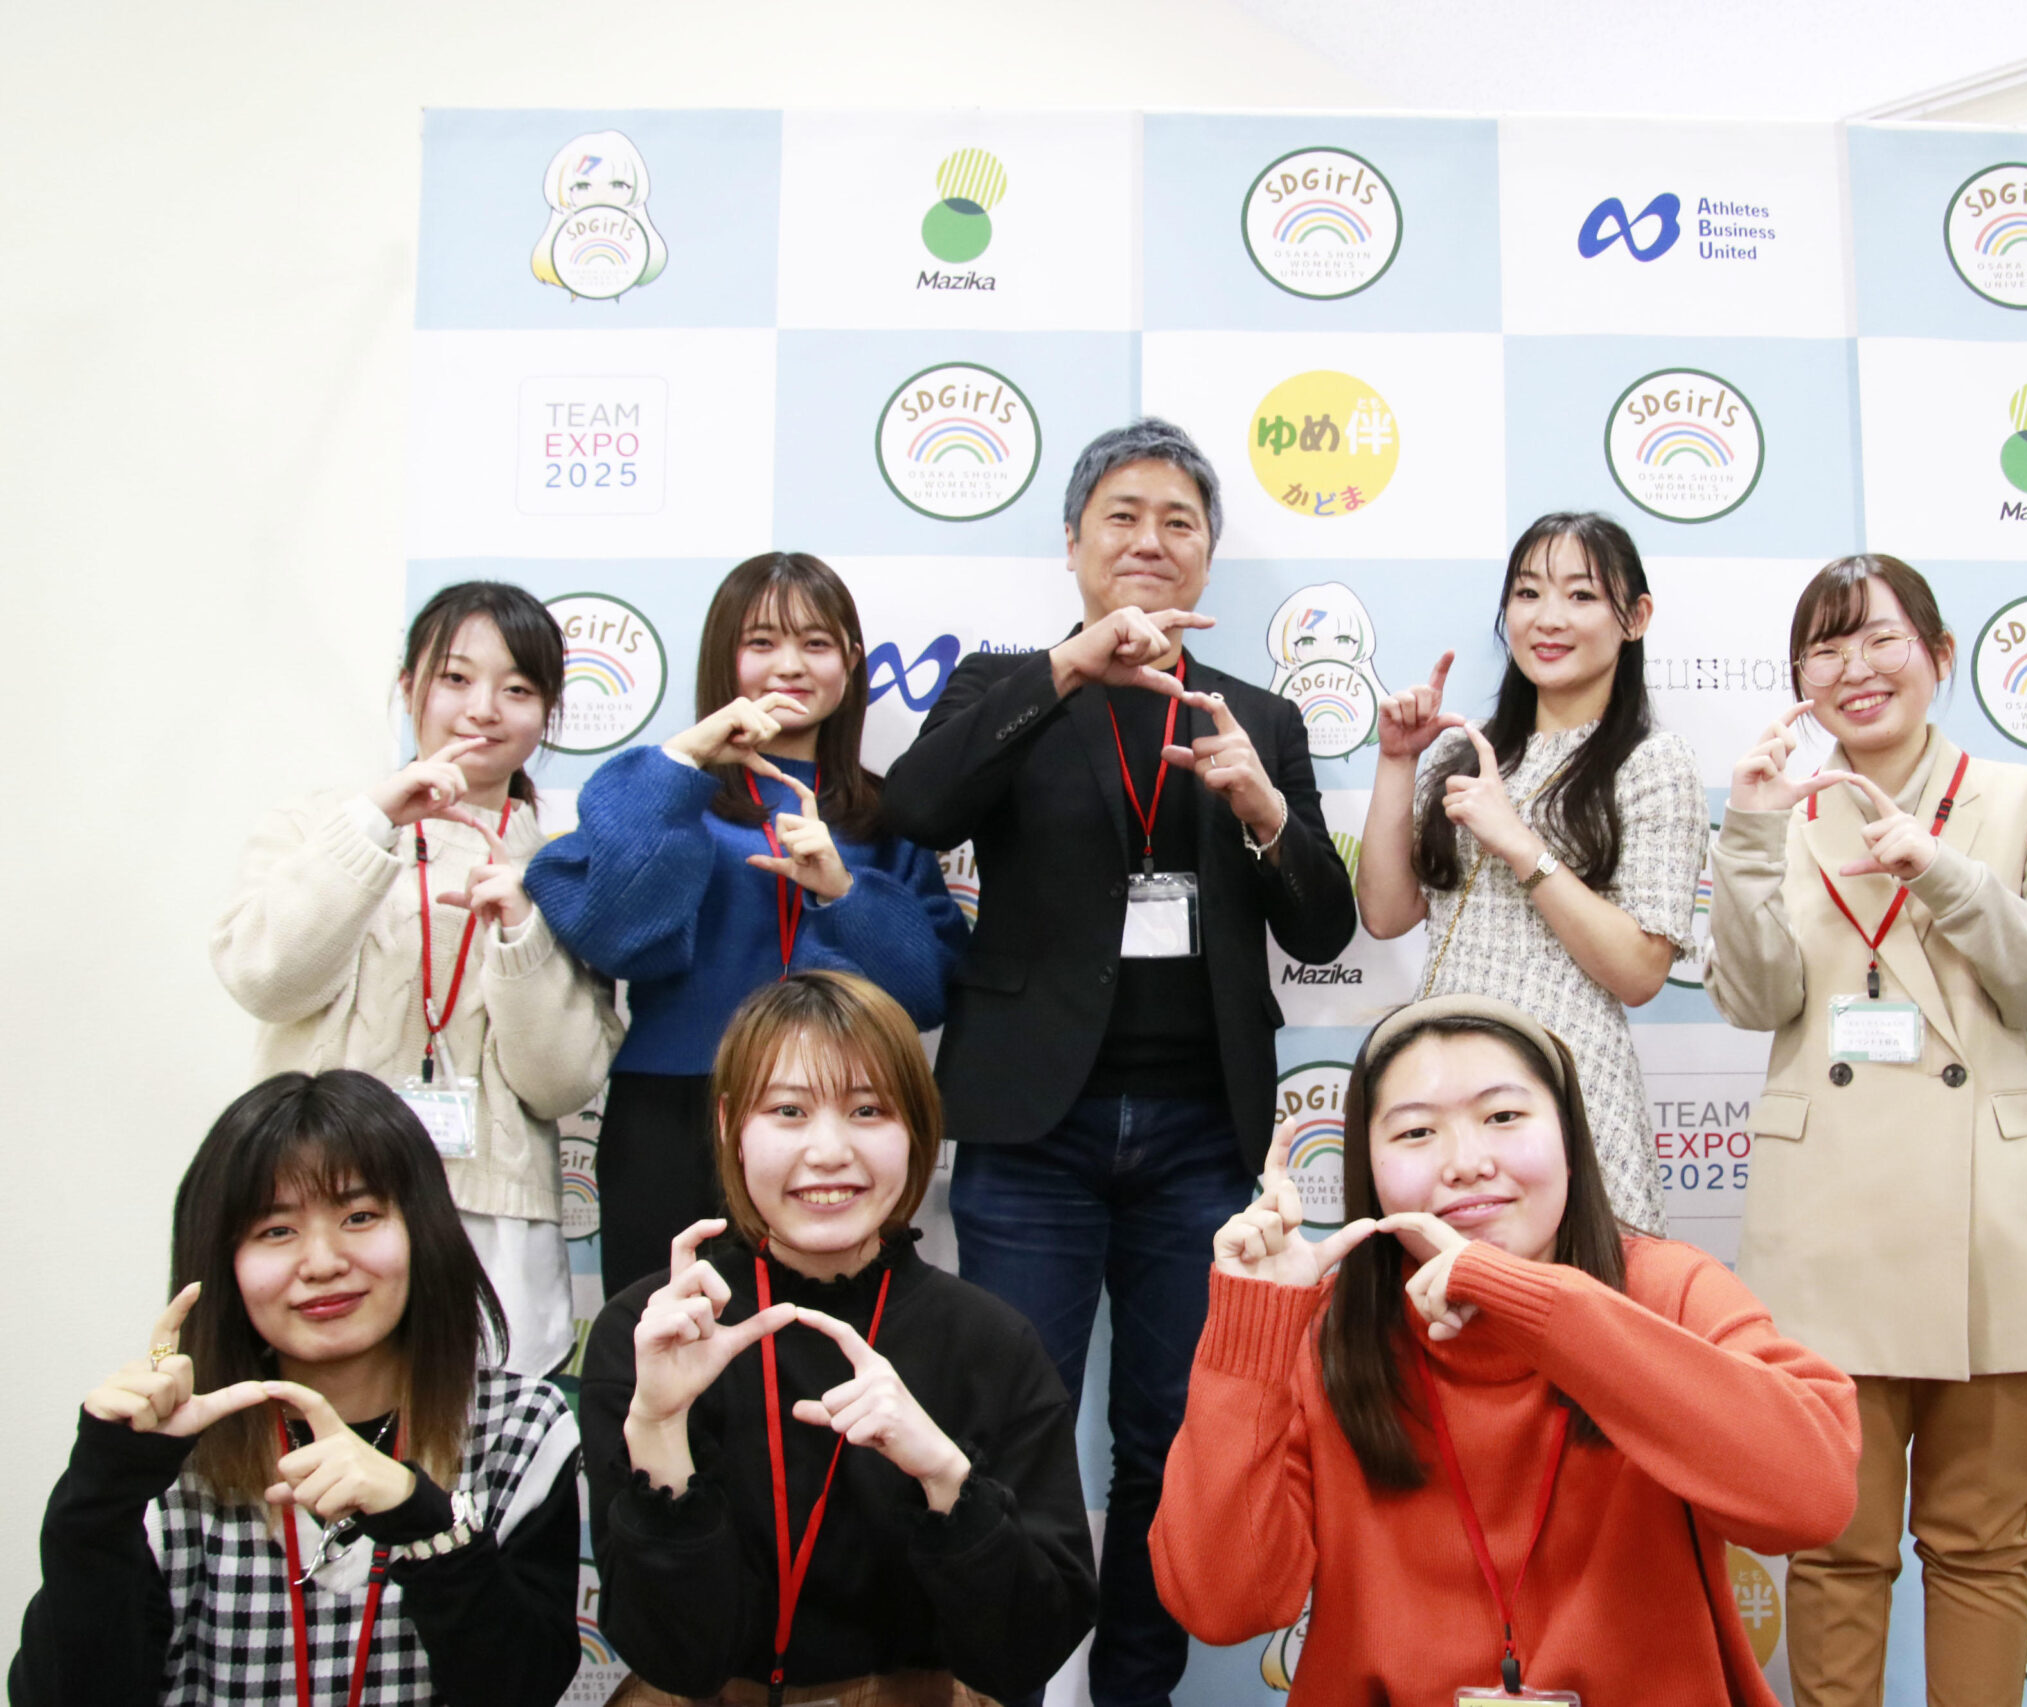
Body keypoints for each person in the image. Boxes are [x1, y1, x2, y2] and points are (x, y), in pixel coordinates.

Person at [877, 418, 1356, 1707]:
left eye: (1177, 521)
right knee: (1007, 1434)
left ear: (1206, 551)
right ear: (1074, 543)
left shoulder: (1258, 714)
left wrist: (1263, 810)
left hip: (1201, 1135)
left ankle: (1136, 1694)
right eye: (1122, 517)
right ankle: (1007, 1688)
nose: (1150, 540)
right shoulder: (1003, 687)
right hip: (1035, 1132)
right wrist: (1064, 673)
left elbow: (1322, 928)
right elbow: (914, 810)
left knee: (1166, 1440)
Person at [1149, 993, 1859, 1703]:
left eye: (1503, 1117)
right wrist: (1252, 1329)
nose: (1466, 1162)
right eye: (1416, 1131)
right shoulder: (1329, 1333)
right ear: (1368, 1171)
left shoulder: (1668, 1290)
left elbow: (1813, 1498)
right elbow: (1222, 1603)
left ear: (1570, 1143)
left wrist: (1528, 1299)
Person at [1705, 553, 2027, 1707]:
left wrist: (1944, 874)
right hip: (1826, 1219)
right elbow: (1754, 1001)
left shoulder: (2022, 801)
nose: (1855, 668)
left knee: (1982, 1543)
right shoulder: (1777, 812)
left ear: (1938, 655)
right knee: (1835, 1543)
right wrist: (1747, 833)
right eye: (1824, 648)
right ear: (1799, 680)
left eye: (1881, 639)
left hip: (1986, 1221)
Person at [579, 971, 1095, 1706]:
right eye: (788, 1110)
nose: (828, 1151)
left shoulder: (991, 1343)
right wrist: (659, 1428)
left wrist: (947, 1478)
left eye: (867, 1110)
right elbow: (677, 1660)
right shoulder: (654, 1332)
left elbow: (1027, 1653)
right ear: (729, 1124)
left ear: (917, 1127)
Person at [12, 1070, 582, 1707]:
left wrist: (425, 1522)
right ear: (223, 1261)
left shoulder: (521, 1429)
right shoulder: (164, 1448)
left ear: (423, 1231)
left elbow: (522, 1690)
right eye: (276, 1231)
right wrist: (101, 1495)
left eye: (360, 1216)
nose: (323, 1263)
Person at [528, 552, 969, 1296]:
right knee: (667, 1330)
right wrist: (684, 761)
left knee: (825, 1338)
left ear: (851, 661)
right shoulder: (668, 788)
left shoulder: (886, 814)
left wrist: (842, 890)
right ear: (722, 658)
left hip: (837, 1113)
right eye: (762, 642)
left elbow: (926, 992)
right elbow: (614, 932)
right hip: (676, 1109)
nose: (789, 666)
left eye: (816, 643)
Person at [211, 580, 621, 1375]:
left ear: (548, 712)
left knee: (481, 1439)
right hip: (313, 1204)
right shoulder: (318, 824)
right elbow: (265, 979)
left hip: (493, 1217)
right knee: (309, 1428)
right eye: (456, 678)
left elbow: (560, 1083)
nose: (482, 709)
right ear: (409, 688)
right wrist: (374, 826)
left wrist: (522, 931)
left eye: (518, 689)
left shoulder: (565, 870)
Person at [1359, 511, 1705, 1233]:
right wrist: (1398, 760)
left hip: (1568, 1092)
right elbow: (1386, 915)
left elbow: (1640, 973)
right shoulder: (1463, 753)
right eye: (1527, 593)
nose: (1549, 618)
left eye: (1581, 595)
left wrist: (1519, 842)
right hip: (1443, 1086)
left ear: (1635, 617)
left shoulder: (1653, 763)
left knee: (1577, 1297)